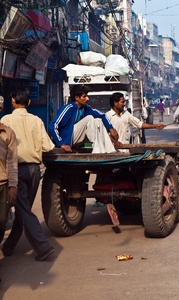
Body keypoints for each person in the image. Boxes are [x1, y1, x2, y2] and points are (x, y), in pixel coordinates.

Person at [1, 87, 55, 261]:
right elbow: (48, 146)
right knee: (24, 209)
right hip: (34, 170)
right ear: (29, 102)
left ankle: (43, 247)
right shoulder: (36, 120)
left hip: (15, 169)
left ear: (13, 102)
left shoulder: (6, 120)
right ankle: (9, 247)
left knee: (23, 210)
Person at [48, 85, 119, 153]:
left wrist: (111, 128)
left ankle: (109, 150)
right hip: (66, 140)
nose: (87, 99)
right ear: (77, 98)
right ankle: (97, 151)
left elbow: (102, 116)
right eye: (84, 96)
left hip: (76, 140)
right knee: (89, 118)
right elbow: (52, 126)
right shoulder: (69, 108)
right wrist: (61, 144)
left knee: (98, 121)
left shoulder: (86, 109)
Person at [0, 95, 18, 253]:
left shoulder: (7, 133)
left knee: (1, 223)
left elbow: (12, 163)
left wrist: (13, 187)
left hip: (3, 185)